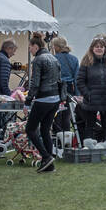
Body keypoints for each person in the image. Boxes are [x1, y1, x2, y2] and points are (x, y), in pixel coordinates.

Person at [24, 35, 63, 173]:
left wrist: (28, 102)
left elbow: (35, 83)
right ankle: (50, 164)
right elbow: (59, 79)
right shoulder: (54, 58)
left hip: (43, 99)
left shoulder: (38, 60)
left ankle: (46, 157)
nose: (29, 49)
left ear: (36, 46)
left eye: (30, 47)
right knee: (45, 130)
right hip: (55, 99)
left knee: (30, 129)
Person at [75, 36, 106, 142]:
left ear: (105, 49)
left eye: (101, 47)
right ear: (92, 48)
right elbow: (80, 81)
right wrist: (88, 95)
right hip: (91, 101)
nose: (99, 48)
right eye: (96, 46)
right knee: (90, 126)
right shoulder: (86, 62)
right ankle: (90, 149)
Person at [51, 36, 79, 133]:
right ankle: (67, 139)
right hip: (69, 89)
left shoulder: (53, 59)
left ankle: (57, 139)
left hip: (56, 89)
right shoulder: (74, 59)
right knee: (67, 115)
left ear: (57, 47)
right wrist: (77, 94)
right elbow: (76, 79)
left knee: (56, 114)